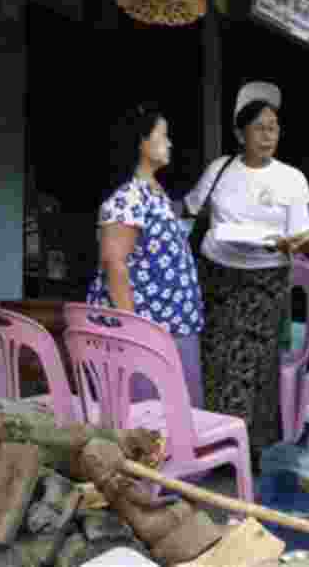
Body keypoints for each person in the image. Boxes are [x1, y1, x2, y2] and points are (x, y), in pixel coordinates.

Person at [184, 82, 309, 457]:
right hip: (218, 277)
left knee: (252, 364)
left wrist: (293, 243)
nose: (267, 135)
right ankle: (212, 443)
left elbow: (306, 232)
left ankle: (245, 447)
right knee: (215, 361)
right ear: (240, 133)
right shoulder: (220, 169)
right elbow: (194, 209)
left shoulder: (291, 179)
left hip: (264, 281)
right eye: (259, 127)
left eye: (273, 127)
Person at [87, 103, 205, 407]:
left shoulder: (154, 191)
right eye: (163, 135)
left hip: (171, 325)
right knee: (147, 424)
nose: (169, 143)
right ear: (142, 142)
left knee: (174, 421)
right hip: (146, 333)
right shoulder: (128, 197)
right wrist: (133, 330)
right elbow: (115, 264)